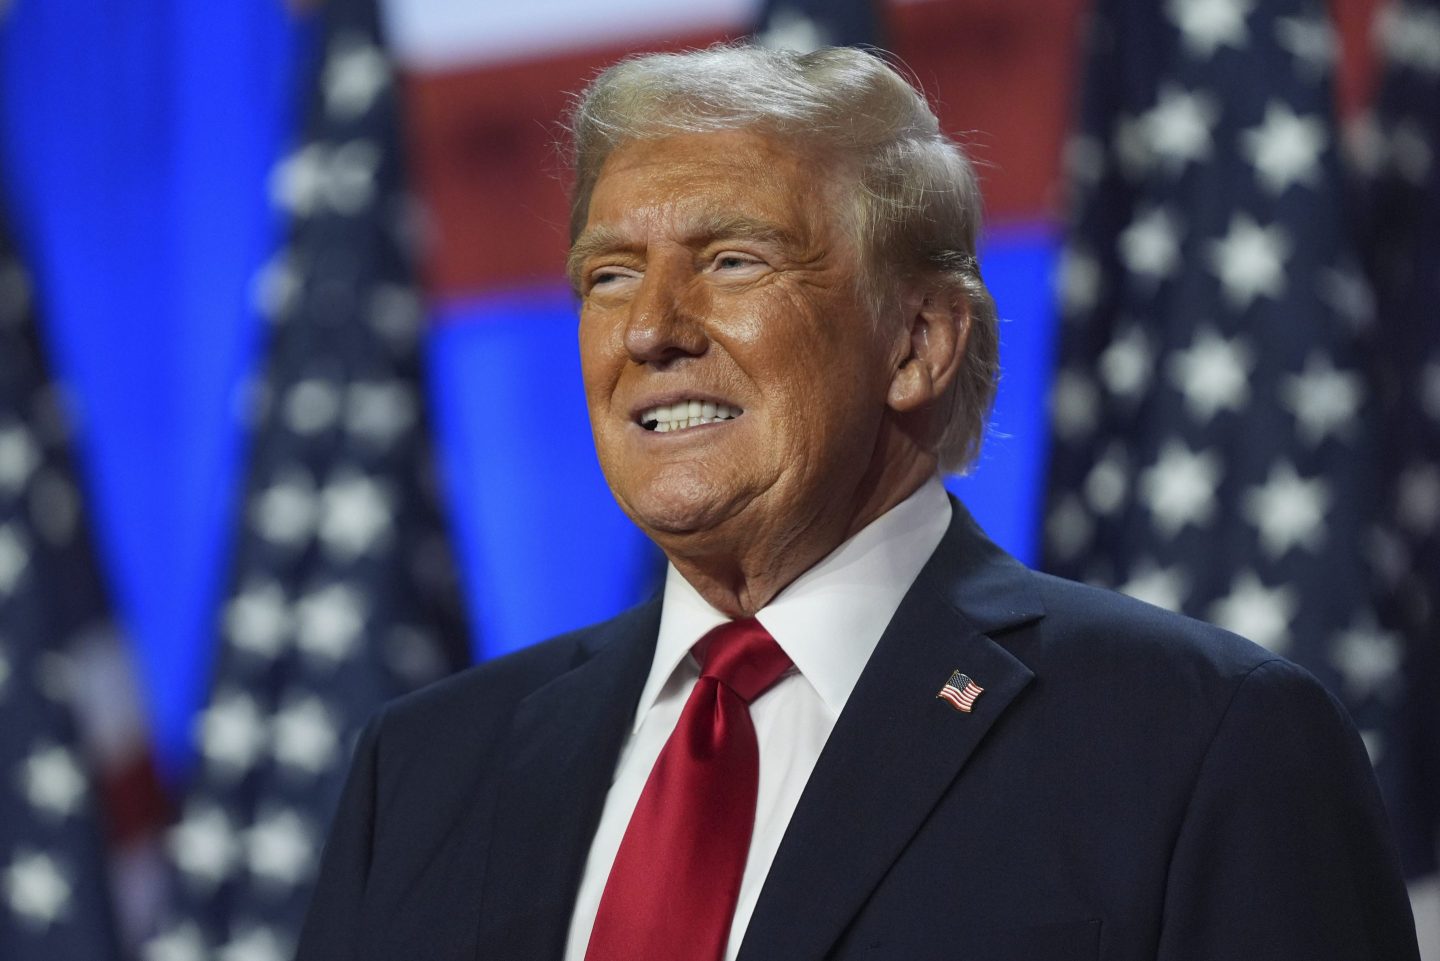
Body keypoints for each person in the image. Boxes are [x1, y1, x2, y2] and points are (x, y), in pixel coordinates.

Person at [295, 44, 1420, 960]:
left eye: (733, 261)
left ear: (918, 341)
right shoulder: (425, 771)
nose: (650, 329)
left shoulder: (1199, 742)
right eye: (610, 274)